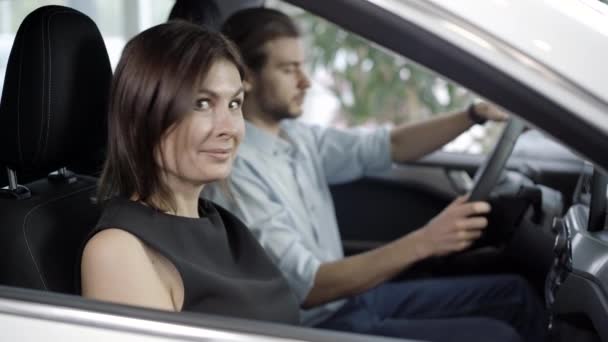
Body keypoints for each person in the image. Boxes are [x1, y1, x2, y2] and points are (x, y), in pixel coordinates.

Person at [202, 8, 546, 342]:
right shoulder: (235, 172)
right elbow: (311, 287)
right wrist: (427, 240)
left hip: (352, 302)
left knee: (515, 294)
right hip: (313, 326)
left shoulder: (299, 138)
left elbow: (390, 145)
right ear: (245, 75)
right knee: (498, 336)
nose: (305, 81)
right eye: (289, 69)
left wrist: (473, 115)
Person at [79, 21, 299, 324]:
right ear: (144, 114)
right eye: (202, 103)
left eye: (235, 103)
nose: (229, 128)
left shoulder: (223, 224)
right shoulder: (119, 252)